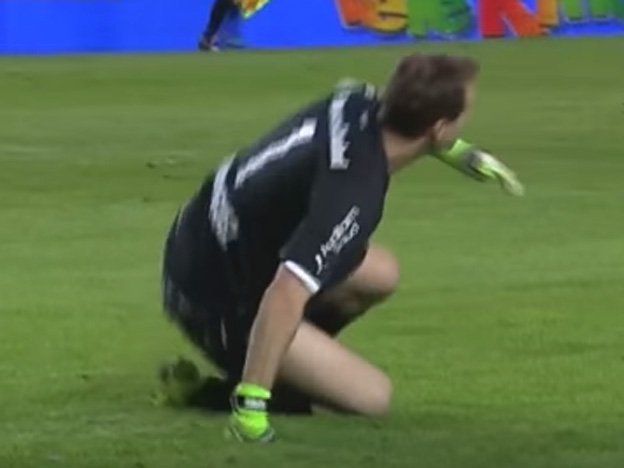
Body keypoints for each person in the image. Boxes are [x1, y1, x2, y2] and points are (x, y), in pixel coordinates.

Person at [160, 53, 524, 443]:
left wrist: (461, 153)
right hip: (210, 301)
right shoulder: (352, 192)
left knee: (381, 273)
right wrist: (251, 409)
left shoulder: (356, 100)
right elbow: (287, 290)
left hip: (196, 244)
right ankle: (239, 387)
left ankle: (286, 357)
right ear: (438, 128)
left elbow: (403, 108)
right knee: (372, 398)